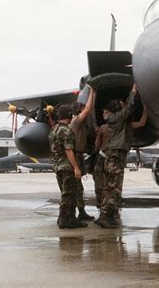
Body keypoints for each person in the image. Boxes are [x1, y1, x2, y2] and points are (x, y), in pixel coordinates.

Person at [96, 85, 148, 228]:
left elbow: (138, 120)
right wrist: (133, 92)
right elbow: (128, 108)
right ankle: (105, 216)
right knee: (112, 185)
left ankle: (109, 214)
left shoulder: (120, 122)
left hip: (117, 153)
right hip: (115, 154)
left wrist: (146, 108)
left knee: (114, 185)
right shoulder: (116, 118)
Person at [49, 104, 87, 229]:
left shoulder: (53, 130)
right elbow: (69, 150)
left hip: (57, 165)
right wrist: (76, 167)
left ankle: (68, 218)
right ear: (69, 116)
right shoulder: (66, 130)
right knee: (69, 194)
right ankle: (65, 219)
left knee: (65, 192)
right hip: (66, 166)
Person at [70, 88, 96, 222]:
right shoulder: (76, 121)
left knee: (78, 188)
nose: (85, 111)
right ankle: (72, 214)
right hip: (75, 156)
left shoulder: (80, 124)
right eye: (82, 109)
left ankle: (81, 212)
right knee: (75, 187)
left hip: (79, 155)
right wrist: (92, 92)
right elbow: (88, 109)